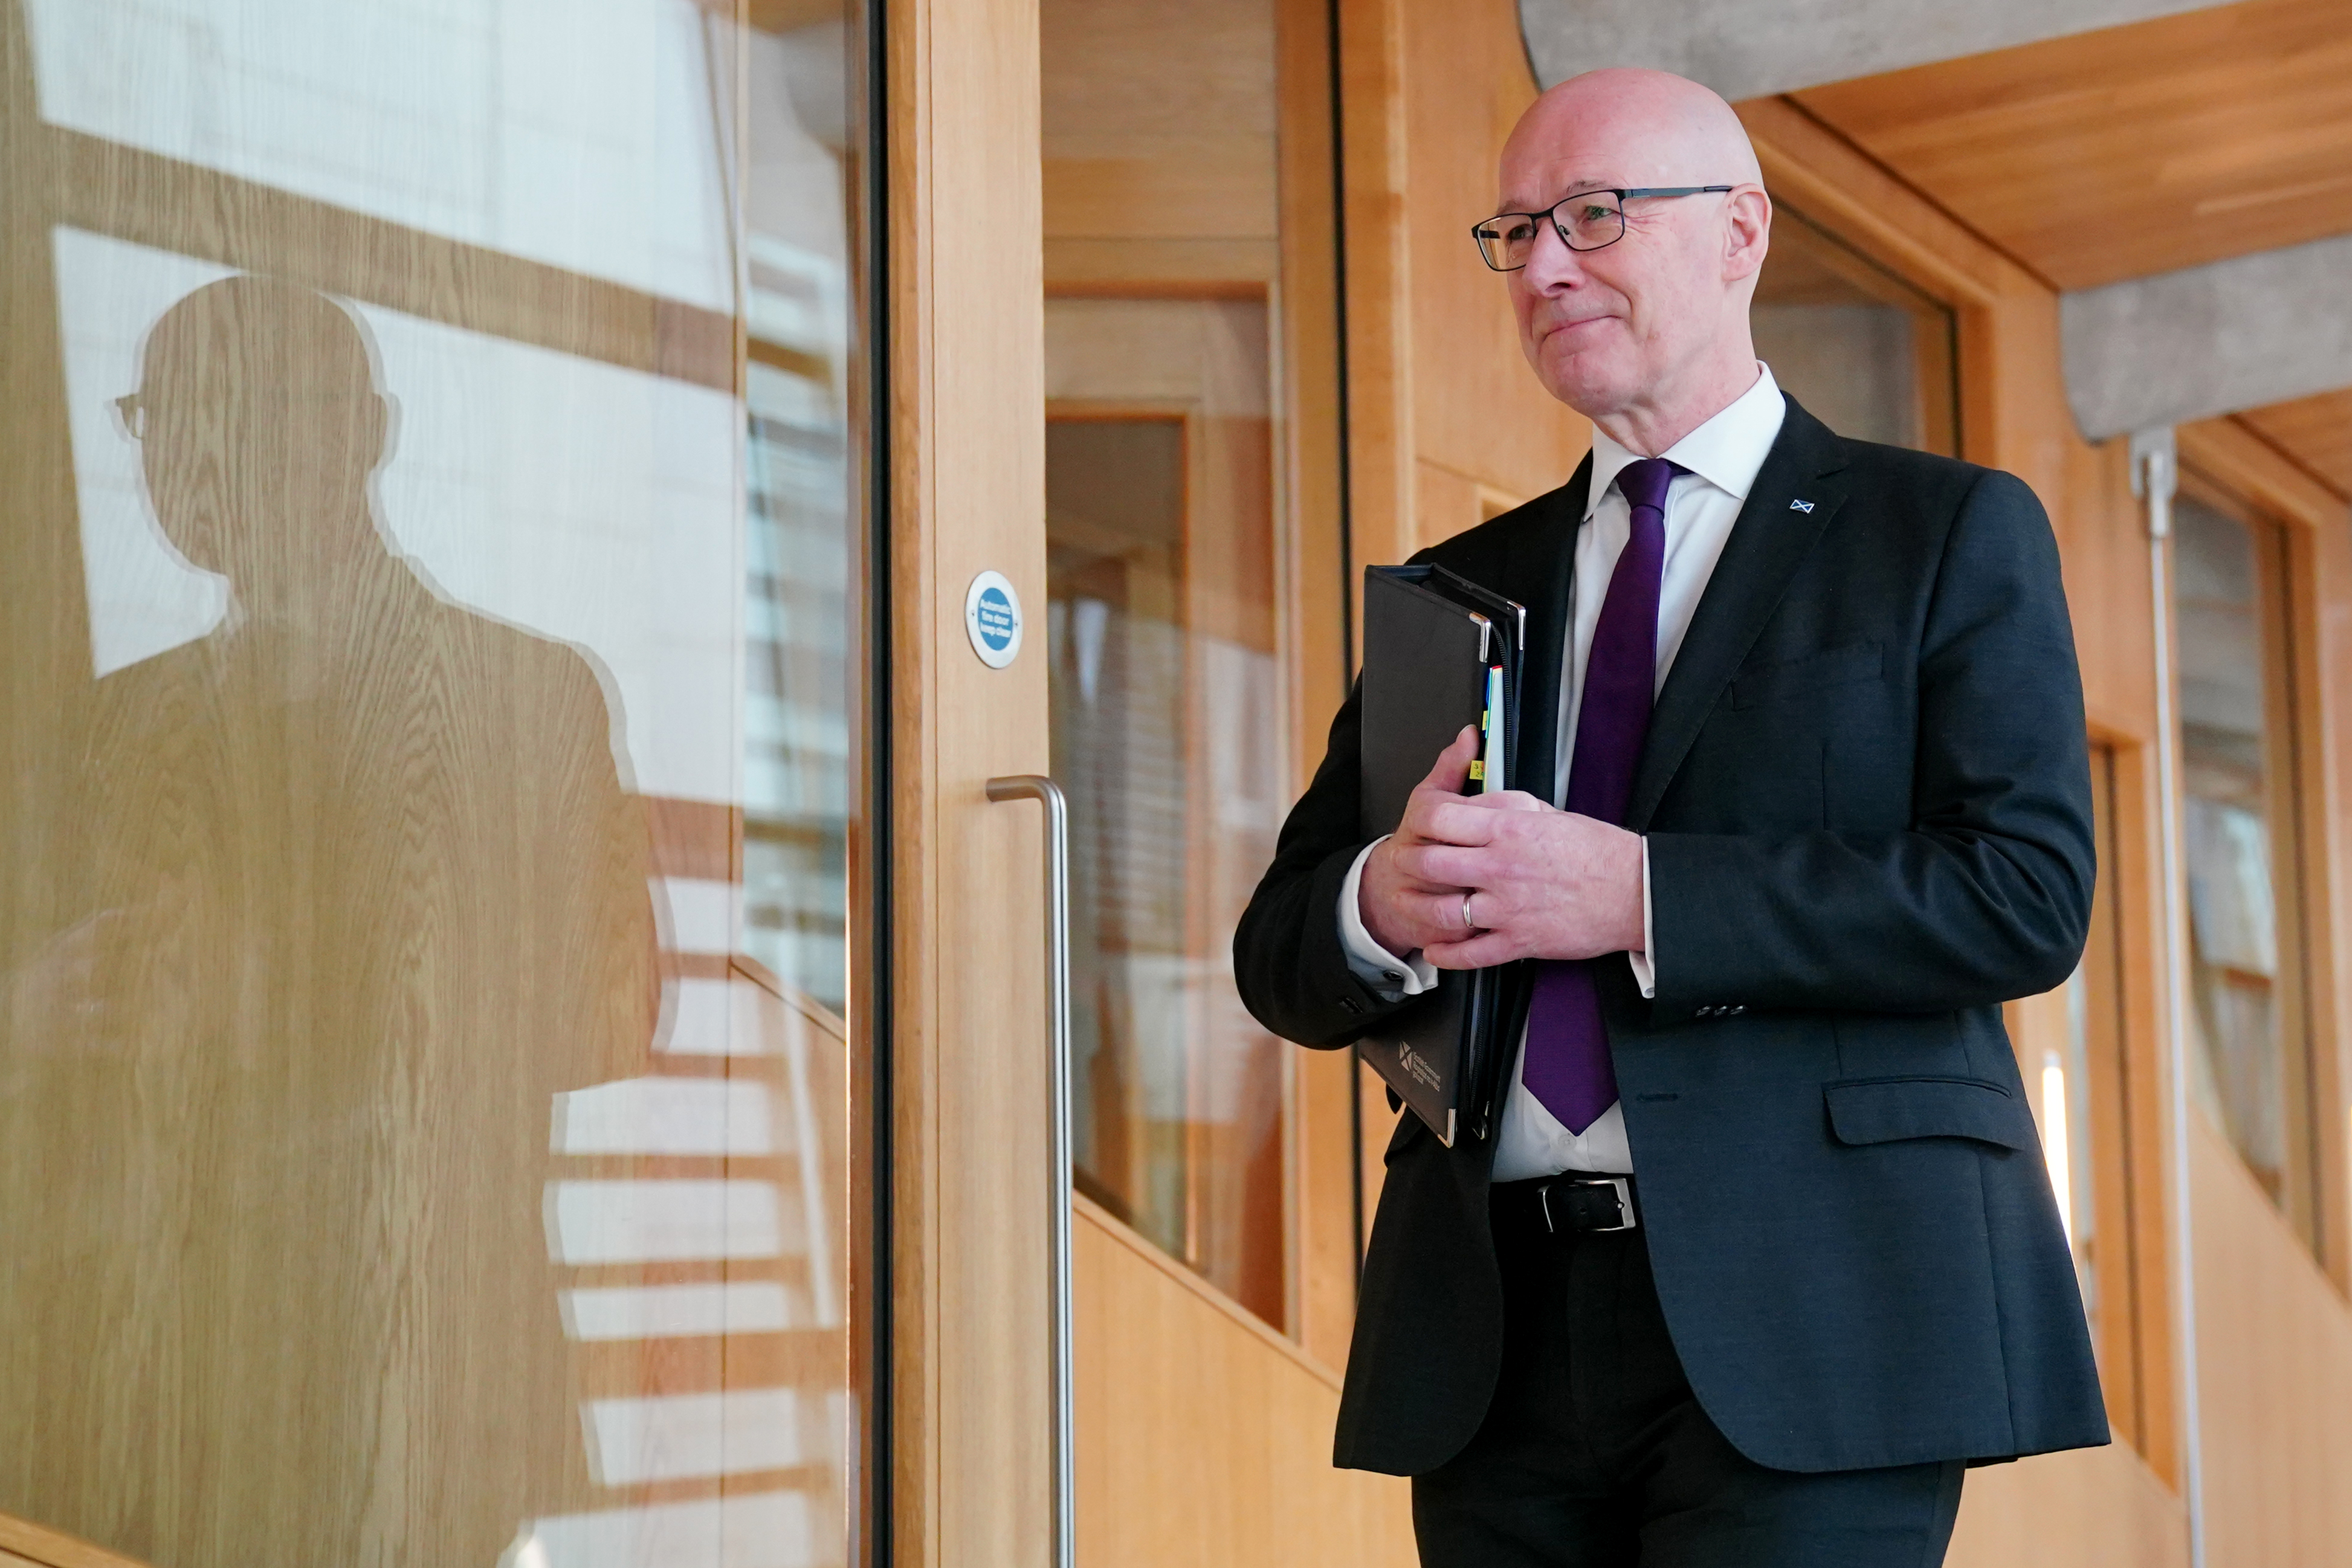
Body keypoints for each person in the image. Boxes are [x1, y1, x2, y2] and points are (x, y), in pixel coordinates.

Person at [1233, 68, 2104, 1567]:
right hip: (1494, 1338)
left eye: (1592, 215)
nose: (1547, 263)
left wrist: (1639, 893)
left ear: (1739, 233)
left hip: (1818, 1317)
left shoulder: (1939, 530)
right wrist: (1376, 902)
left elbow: (2019, 894)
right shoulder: (1455, 586)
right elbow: (1280, 945)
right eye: (1515, 232)